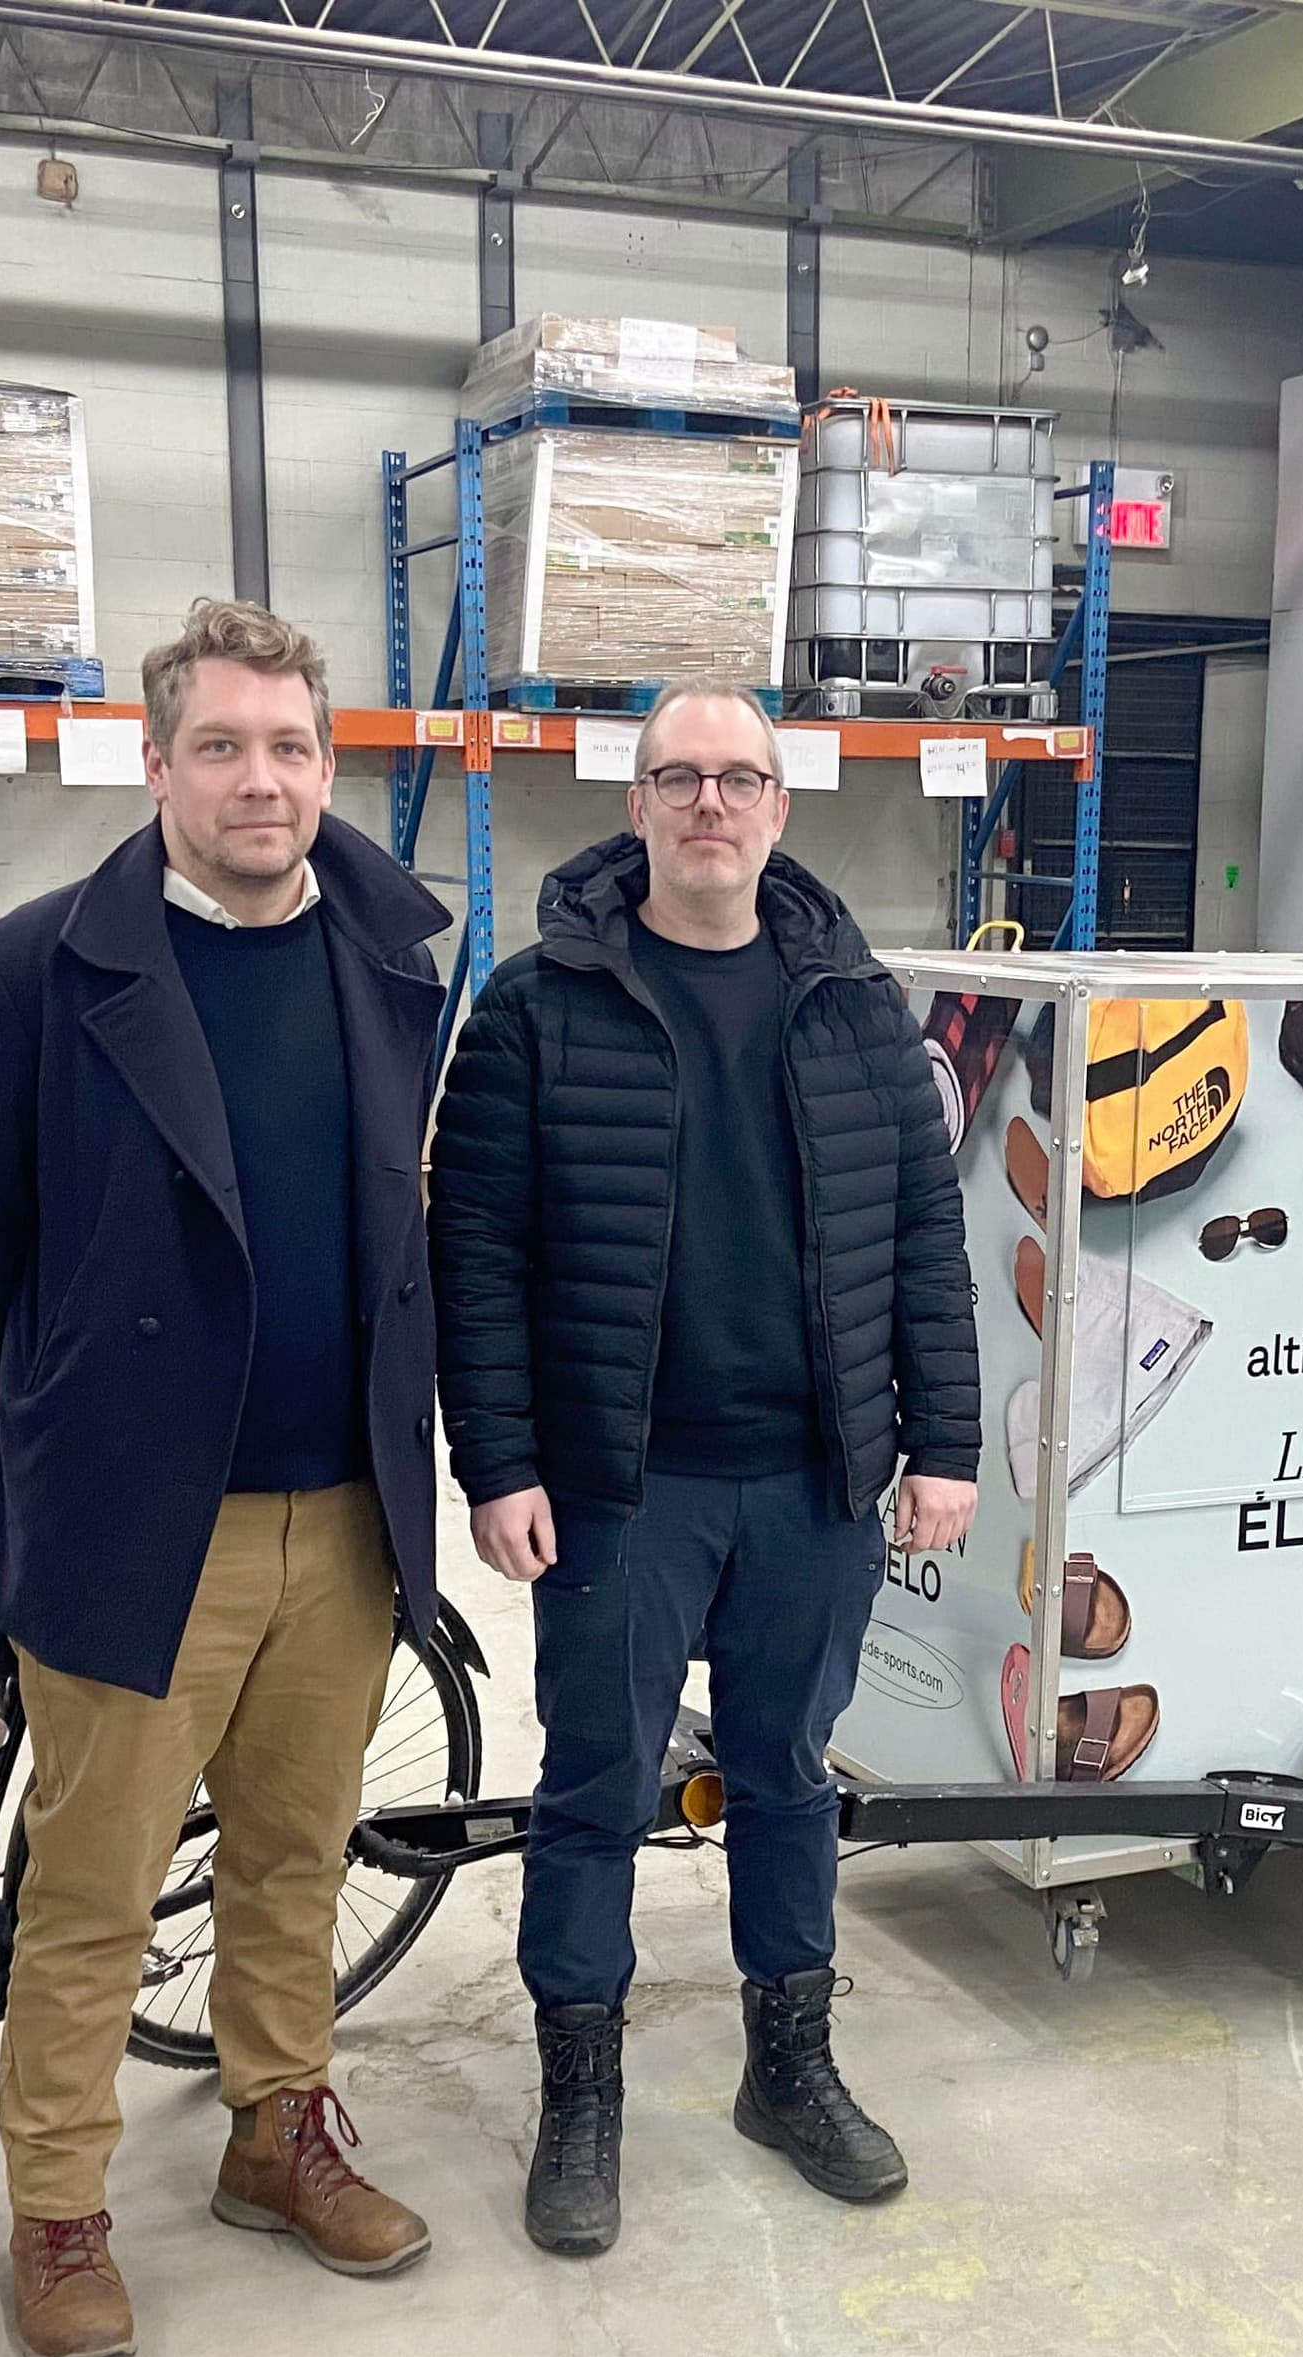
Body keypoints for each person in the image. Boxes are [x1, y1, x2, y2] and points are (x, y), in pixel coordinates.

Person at [0, 597, 456, 2357]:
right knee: (97, 1886)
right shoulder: (34, 969)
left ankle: (274, 2131)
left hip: (346, 1509)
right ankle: (58, 2211)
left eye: (289, 747)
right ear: (154, 766)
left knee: (296, 1853)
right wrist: (74, 1407)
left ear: (328, 765)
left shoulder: (391, 957)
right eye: (219, 746)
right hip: (144, 1517)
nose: (258, 781)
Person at [429, 680, 981, 2259]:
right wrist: (501, 1462)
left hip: (813, 1481)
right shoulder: (536, 1007)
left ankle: (788, 2068)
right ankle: (581, 2100)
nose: (710, 805)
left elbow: (923, 1236)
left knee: (789, 1776)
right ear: (637, 805)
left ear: (780, 807)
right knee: (596, 1787)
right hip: (624, 1488)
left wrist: (944, 1441)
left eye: (740, 778)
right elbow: (475, 1252)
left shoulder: (856, 1007)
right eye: (680, 777)